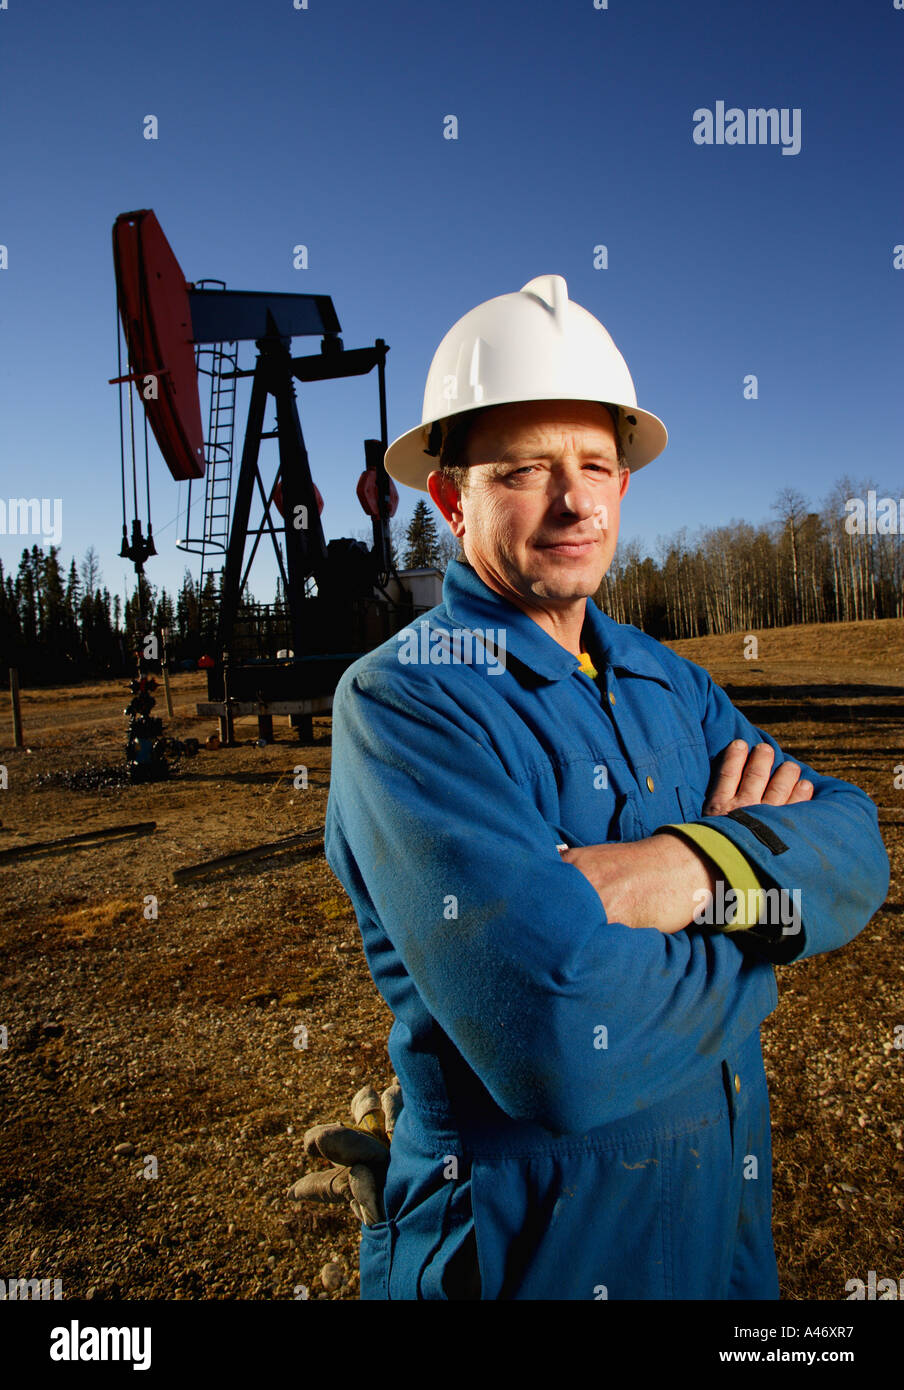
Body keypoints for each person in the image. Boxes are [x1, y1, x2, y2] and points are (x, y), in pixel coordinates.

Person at [320, 275, 889, 1300]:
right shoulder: (406, 704)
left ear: (624, 483)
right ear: (451, 499)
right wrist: (763, 933)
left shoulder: (671, 682)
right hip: (528, 1253)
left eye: (593, 463)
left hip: (719, 1237)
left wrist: (676, 869)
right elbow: (556, 1044)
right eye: (526, 471)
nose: (574, 499)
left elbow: (856, 847)